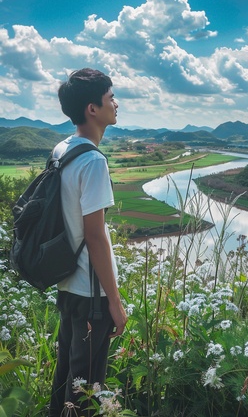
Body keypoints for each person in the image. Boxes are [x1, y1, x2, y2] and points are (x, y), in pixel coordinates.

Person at [48, 68, 127, 417]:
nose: (116, 104)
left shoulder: (62, 149)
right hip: (90, 294)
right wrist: (115, 302)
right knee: (87, 388)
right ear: (93, 108)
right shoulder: (93, 161)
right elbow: (95, 237)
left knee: (66, 376)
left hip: (66, 284)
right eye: (111, 97)